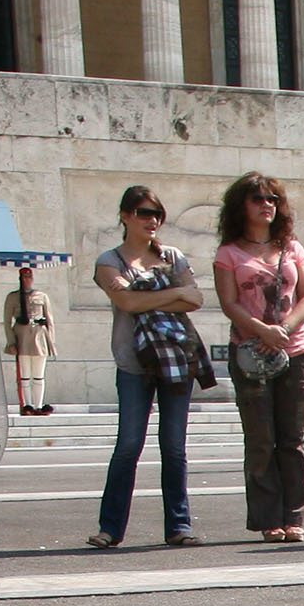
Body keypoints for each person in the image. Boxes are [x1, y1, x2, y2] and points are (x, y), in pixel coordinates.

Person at [91, 185, 200, 547]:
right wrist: (173, 295)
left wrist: (147, 298)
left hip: (175, 359)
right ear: (125, 216)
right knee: (128, 445)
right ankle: (110, 528)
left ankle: (179, 526)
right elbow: (125, 302)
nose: (151, 220)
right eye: (143, 212)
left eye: (156, 214)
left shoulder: (173, 255)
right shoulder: (109, 260)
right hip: (133, 362)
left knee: (174, 446)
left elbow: (196, 298)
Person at [213, 171, 304, 543]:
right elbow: (228, 303)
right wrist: (262, 331)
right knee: (260, 439)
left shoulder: (292, 248)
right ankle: (267, 517)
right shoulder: (229, 253)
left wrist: (283, 329)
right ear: (242, 206)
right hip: (250, 353)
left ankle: (294, 516)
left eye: (272, 199)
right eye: (258, 198)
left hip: (295, 348)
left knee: (293, 439)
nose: (266, 205)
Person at [2, 262, 54, 415]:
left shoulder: (42, 296)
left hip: (39, 337)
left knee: (38, 375)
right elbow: (6, 321)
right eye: (24, 277)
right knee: (25, 376)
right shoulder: (12, 297)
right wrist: (11, 342)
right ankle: (28, 405)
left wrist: (51, 342)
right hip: (22, 337)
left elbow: (49, 320)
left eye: (29, 276)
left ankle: (38, 405)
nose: (27, 279)